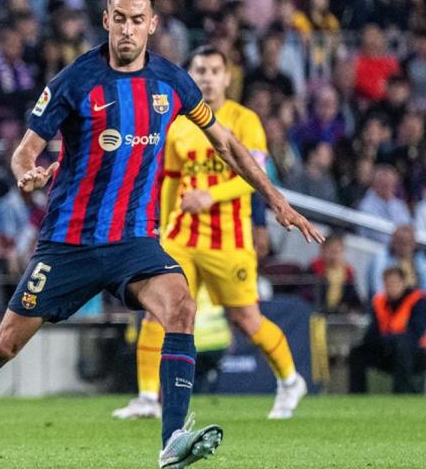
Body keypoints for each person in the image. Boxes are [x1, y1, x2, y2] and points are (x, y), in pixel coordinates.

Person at [0, 0, 322, 469]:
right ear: (106, 20)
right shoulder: (75, 80)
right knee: (4, 344)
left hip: (133, 240)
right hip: (68, 244)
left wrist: (276, 200)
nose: (128, 30)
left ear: (153, 25)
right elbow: (26, 149)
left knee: (180, 306)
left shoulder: (173, 82)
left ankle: (172, 443)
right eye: (120, 19)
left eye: (139, 20)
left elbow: (227, 145)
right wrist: (26, 171)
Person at [114, 46, 307, 422]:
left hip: (230, 240)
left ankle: (290, 380)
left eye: (214, 70)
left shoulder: (245, 120)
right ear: (190, 74)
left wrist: (211, 196)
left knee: (246, 319)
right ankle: (148, 397)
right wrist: (160, 224)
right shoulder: (178, 122)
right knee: (157, 310)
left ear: (227, 76)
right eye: (199, 69)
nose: (206, 77)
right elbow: (169, 180)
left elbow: (257, 179)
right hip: (181, 238)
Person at [349, 267, 426, 394]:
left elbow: (415, 335)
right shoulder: (379, 302)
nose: (391, 287)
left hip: (423, 352)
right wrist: (386, 341)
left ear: (404, 283)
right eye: (388, 284)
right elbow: (372, 335)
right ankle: (357, 395)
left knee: (402, 347)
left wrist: (389, 339)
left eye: (395, 283)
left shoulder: (420, 301)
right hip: (390, 348)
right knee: (357, 352)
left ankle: (401, 395)